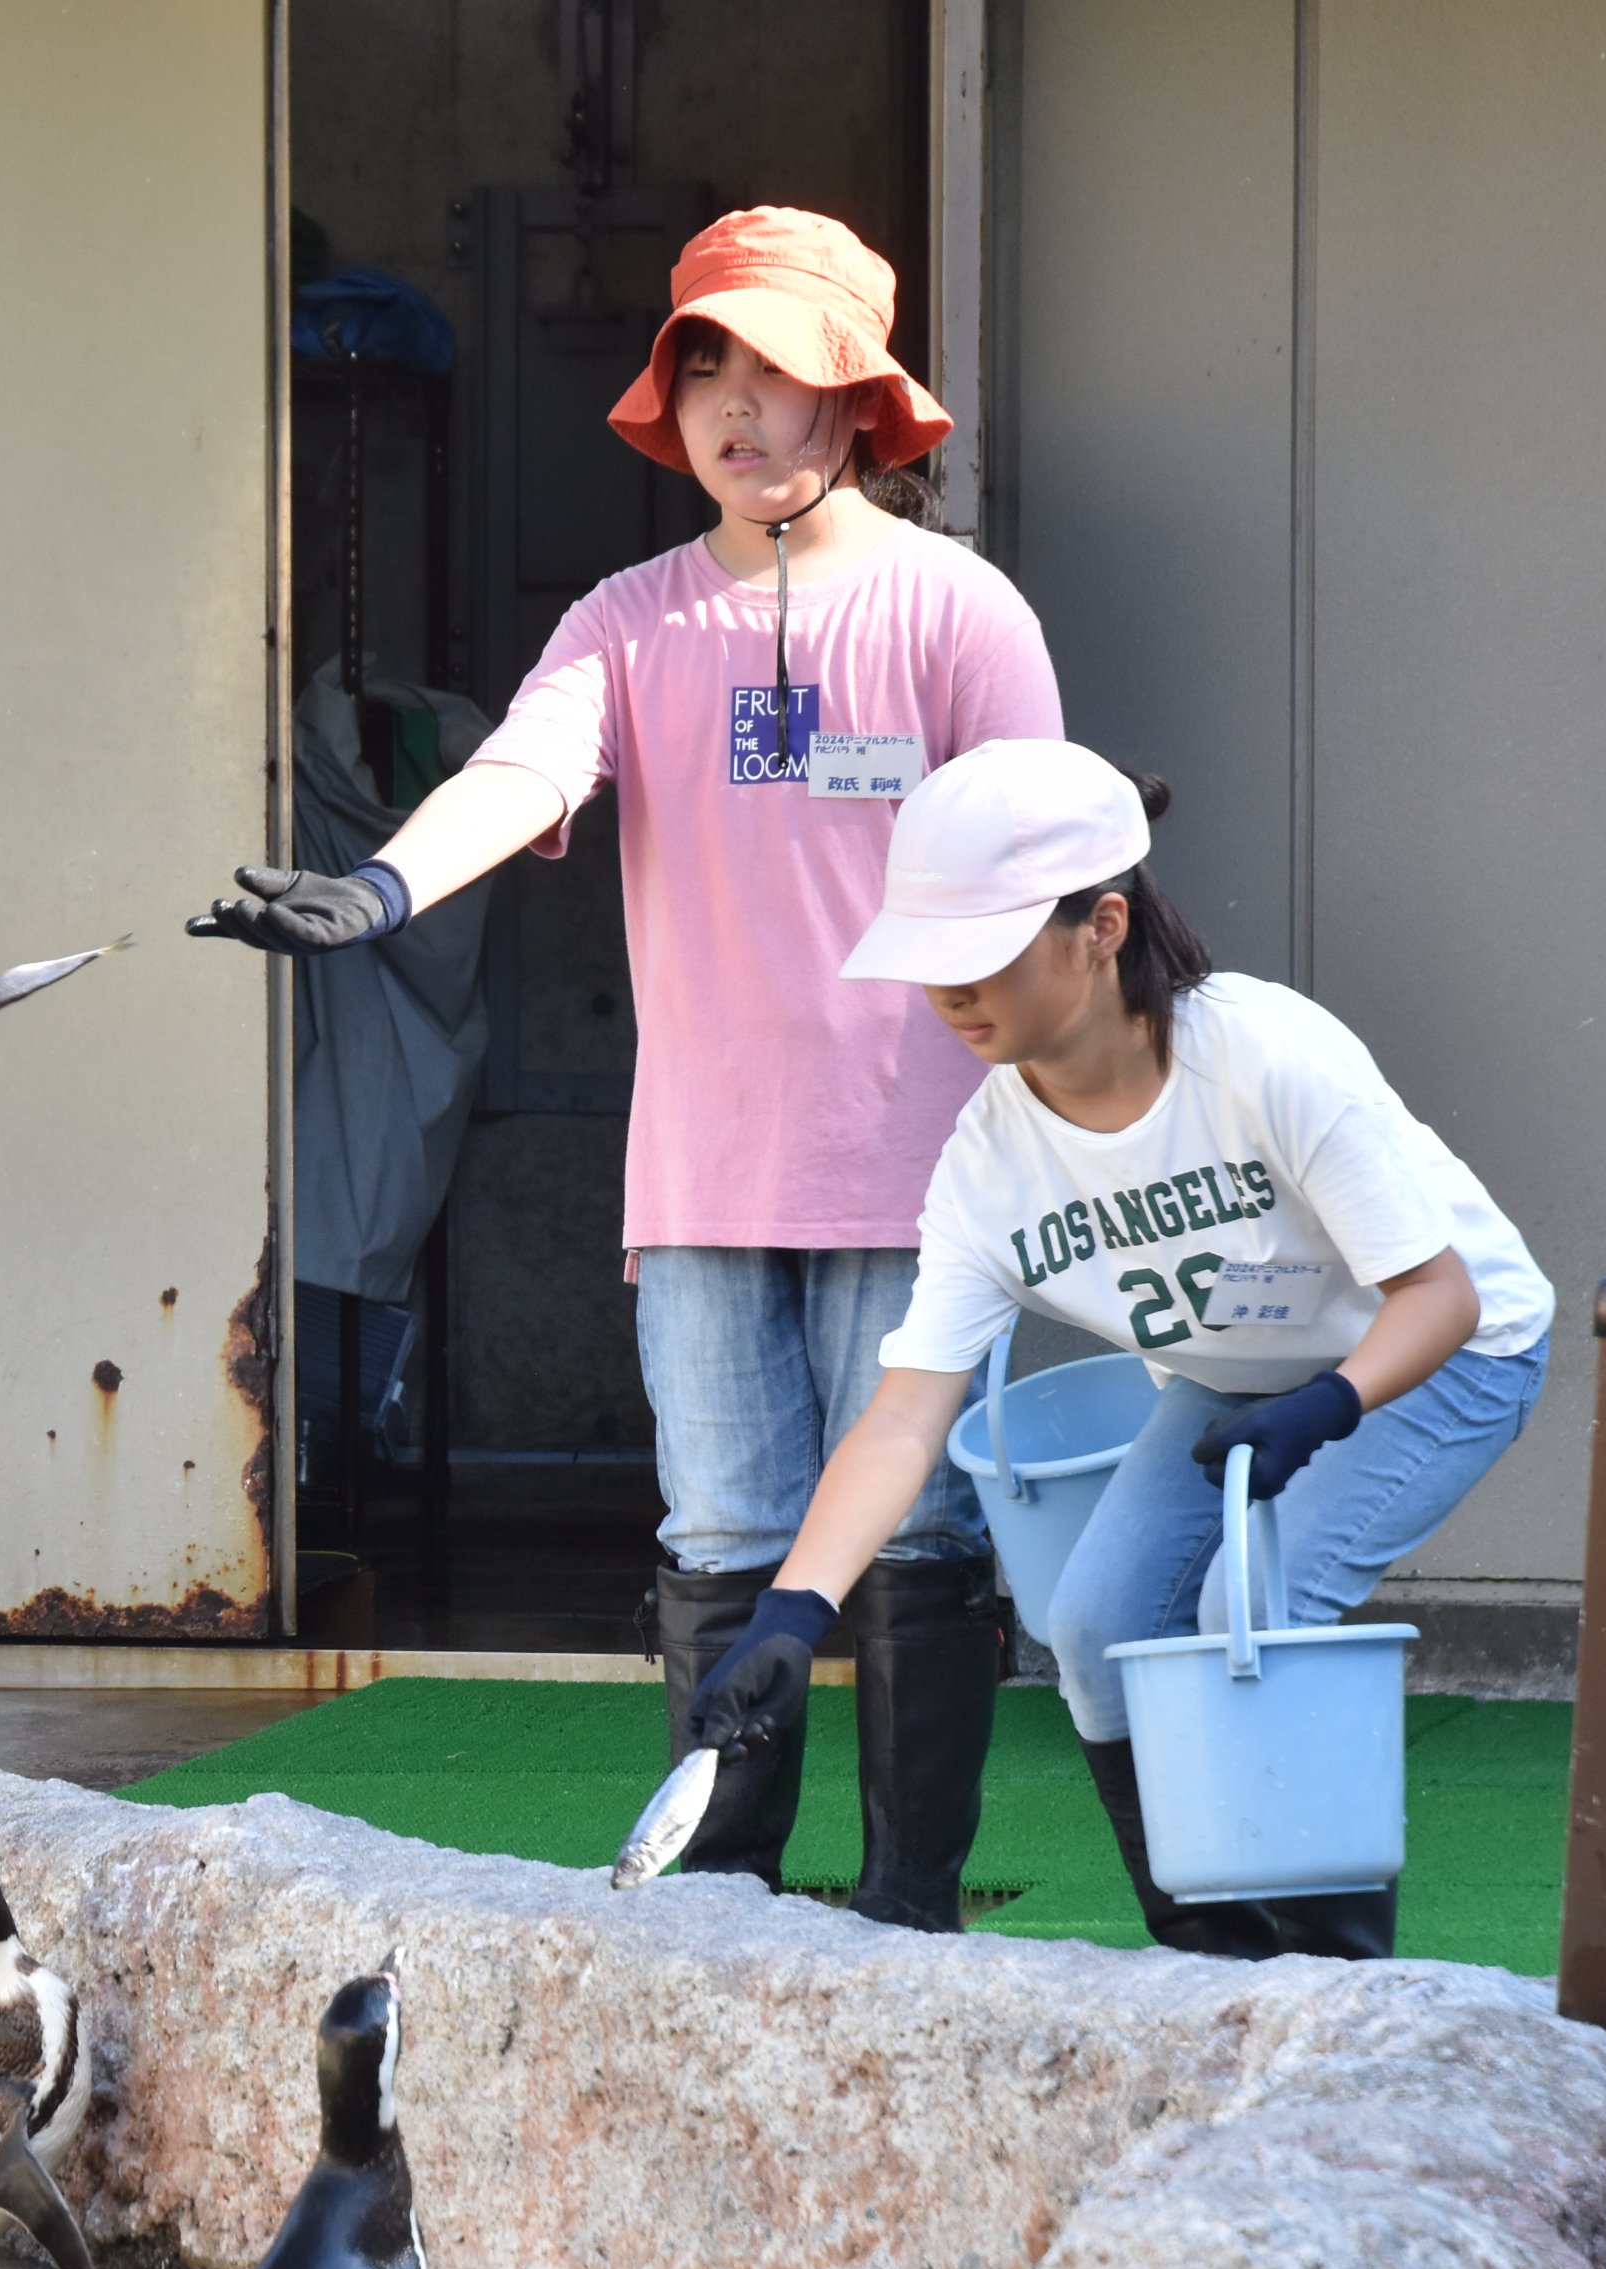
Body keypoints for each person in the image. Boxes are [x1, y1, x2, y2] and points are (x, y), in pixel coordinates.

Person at [192, 208, 1064, 1929]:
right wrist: (375, 887)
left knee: (922, 1541)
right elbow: (522, 771)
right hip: (706, 1167)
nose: (740, 414)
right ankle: (726, 1902)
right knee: (724, 1526)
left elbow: (1047, 859)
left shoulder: (961, 612)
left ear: (861, 401)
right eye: (705, 372)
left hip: (926, 1166)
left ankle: (910, 1907)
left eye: (782, 373)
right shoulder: (629, 621)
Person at [673, 738, 1556, 1957]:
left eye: (979, 953)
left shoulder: (1263, 1054)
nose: (948, 993)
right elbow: (904, 1415)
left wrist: (1331, 1404)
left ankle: (1338, 1979)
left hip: (1436, 1356)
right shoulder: (986, 1160)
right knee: (1090, 1622)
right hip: (1240, 1377)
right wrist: (788, 1609)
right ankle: (1204, 1957)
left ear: (1100, 925)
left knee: (1260, 1602)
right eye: (927, 960)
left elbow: (1439, 1295)